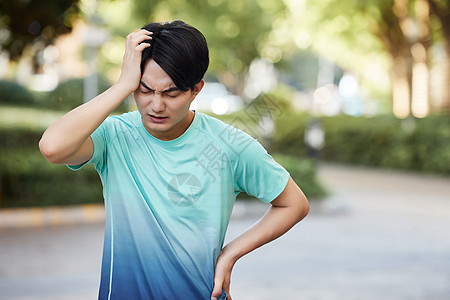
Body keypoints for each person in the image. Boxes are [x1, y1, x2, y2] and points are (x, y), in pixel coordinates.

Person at [39, 20, 309, 300]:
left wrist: (231, 253)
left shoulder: (229, 146)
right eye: (144, 90)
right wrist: (122, 85)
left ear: (196, 89)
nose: (156, 105)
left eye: (171, 93)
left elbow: (294, 203)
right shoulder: (116, 136)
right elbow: (52, 147)